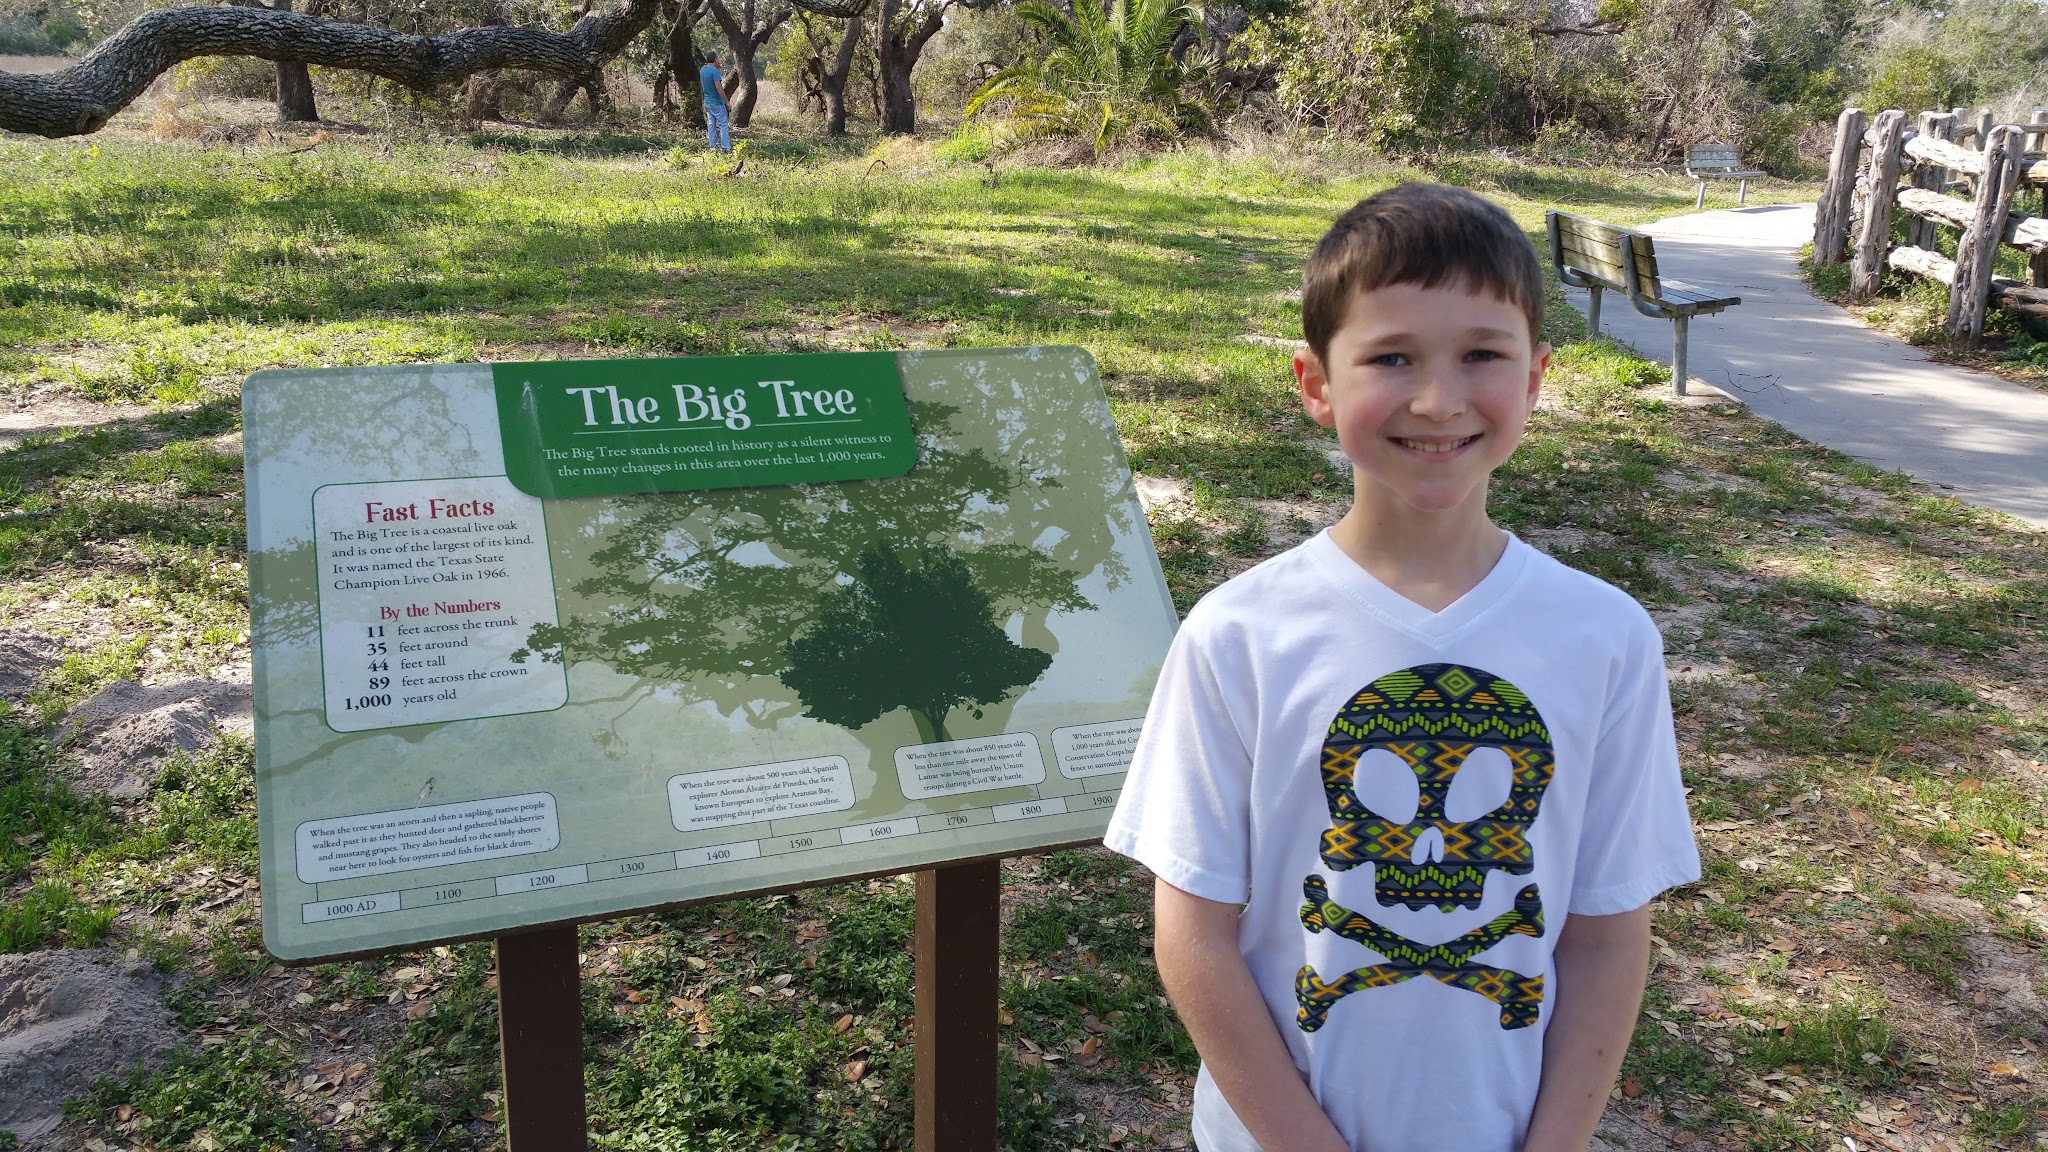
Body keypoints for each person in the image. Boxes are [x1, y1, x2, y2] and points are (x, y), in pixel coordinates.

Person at [1104, 182, 1700, 1152]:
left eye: (1481, 355)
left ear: (1535, 377)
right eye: (1391, 357)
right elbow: (1193, 934)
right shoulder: (1238, 636)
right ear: (1315, 383)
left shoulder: (1606, 639)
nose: (1438, 399)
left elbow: (1604, 938)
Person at [700, 50, 730, 152]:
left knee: (711, 124)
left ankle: (713, 147)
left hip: (707, 101)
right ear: (715, 60)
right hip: (716, 102)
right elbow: (718, 88)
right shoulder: (714, 71)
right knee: (723, 124)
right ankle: (725, 147)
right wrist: (726, 101)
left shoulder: (703, 70)